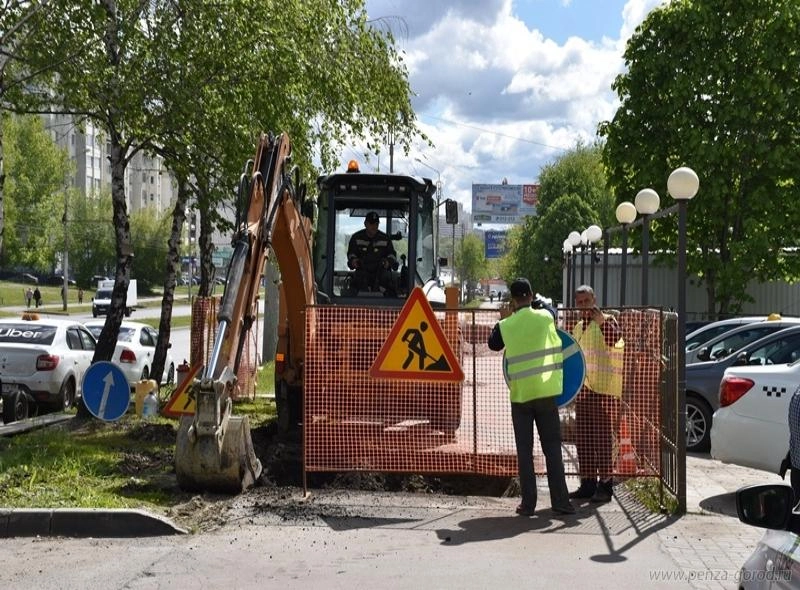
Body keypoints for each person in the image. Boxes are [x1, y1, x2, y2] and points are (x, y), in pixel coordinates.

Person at [488, 277, 575, 517]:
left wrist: (505, 317)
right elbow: (551, 309)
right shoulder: (545, 317)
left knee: (524, 452)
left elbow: (493, 344)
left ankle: (528, 505)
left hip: (521, 396)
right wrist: (533, 301)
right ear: (531, 294)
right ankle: (561, 502)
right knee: (553, 449)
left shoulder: (506, 325)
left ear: (512, 299)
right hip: (546, 393)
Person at [569, 284, 625, 503]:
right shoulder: (578, 328)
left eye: (587, 301)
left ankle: (605, 485)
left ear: (594, 299)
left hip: (602, 391)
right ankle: (588, 483)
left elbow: (616, 341)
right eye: (579, 302)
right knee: (583, 439)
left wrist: (602, 323)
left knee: (601, 440)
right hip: (583, 392)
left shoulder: (608, 320)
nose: (583, 306)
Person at [346, 211, 398, 294]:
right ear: (365, 224)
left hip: (381, 274)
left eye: (376, 224)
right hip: (362, 273)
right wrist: (353, 261)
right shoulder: (356, 238)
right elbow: (351, 254)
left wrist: (388, 262)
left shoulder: (385, 239)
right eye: (371, 224)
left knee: (391, 290)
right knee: (351, 292)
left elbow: (392, 255)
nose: (374, 226)